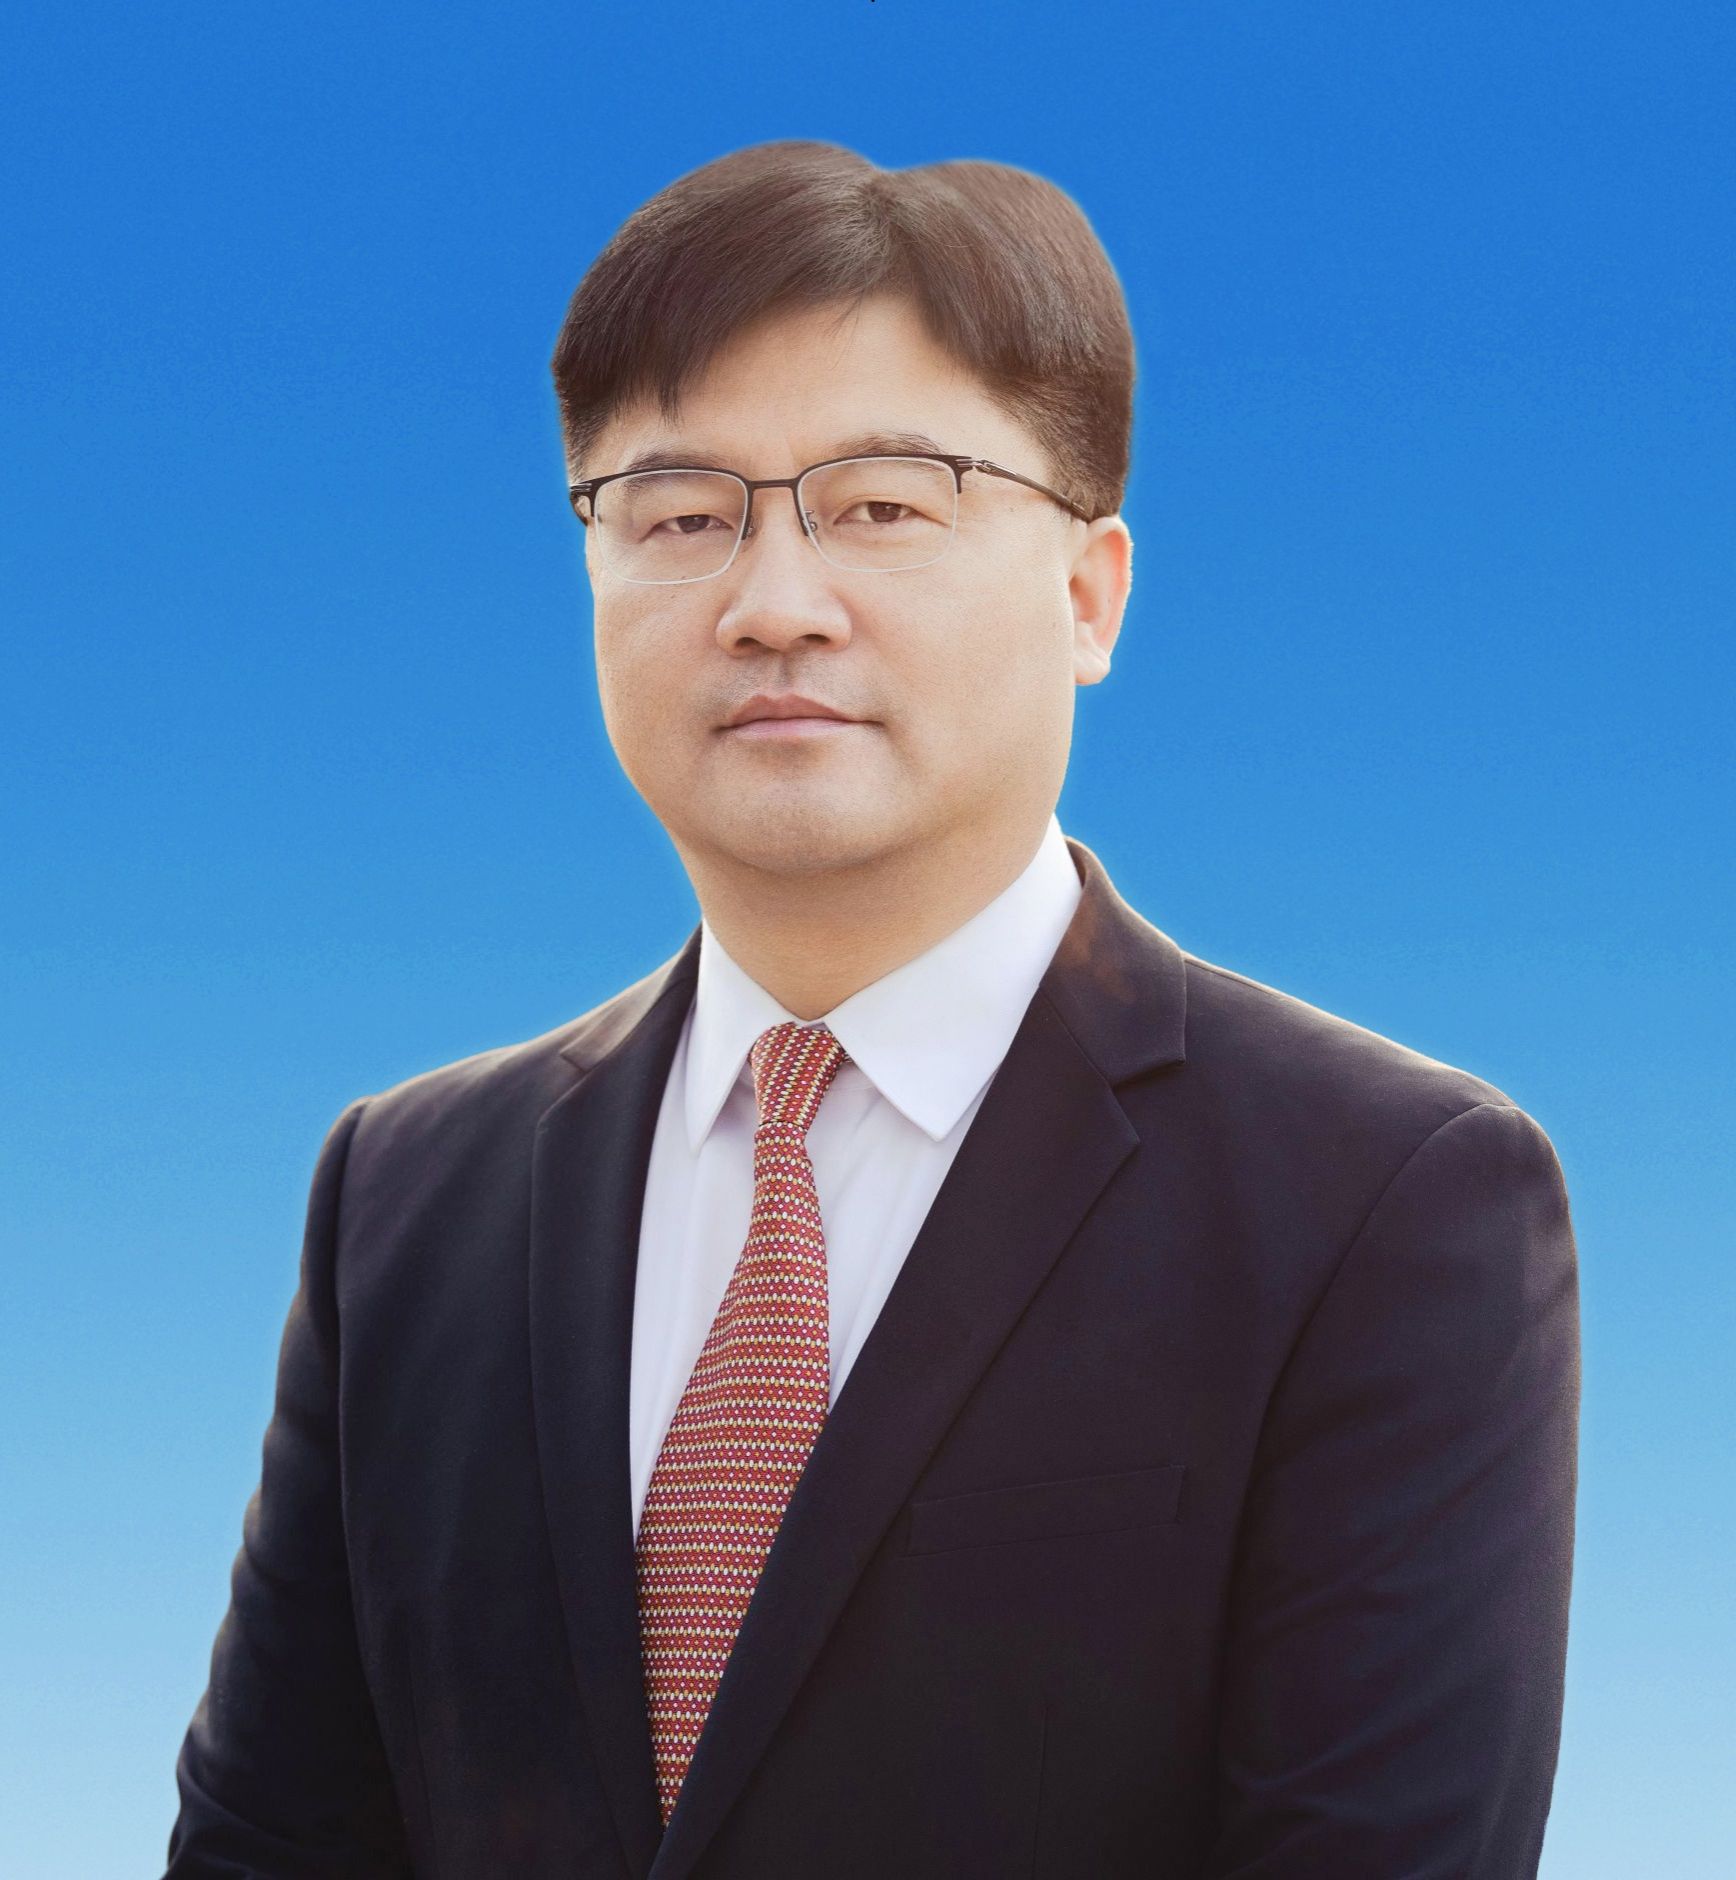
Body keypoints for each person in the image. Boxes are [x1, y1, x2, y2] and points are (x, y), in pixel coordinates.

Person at [164, 141, 1580, 1879]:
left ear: (1089, 595)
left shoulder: (1386, 1200)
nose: (772, 606)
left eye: (885, 506)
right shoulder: (407, 1193)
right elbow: (269, 1844)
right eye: (680, 516)